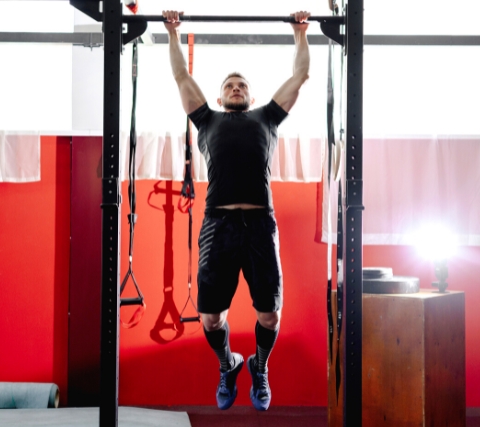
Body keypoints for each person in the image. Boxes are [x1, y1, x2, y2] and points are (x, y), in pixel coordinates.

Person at [162, 9, 311, 411]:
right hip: (219, 224)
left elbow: (299, 77)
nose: (235, 87)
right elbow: (181, 77)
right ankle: (229, 365)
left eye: (241, 85)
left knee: (269, 317)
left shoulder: (268, 118)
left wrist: (300, 34)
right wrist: (173, 34)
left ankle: (259, 367)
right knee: (211, 318)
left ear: (251, 96)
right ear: (220, 95)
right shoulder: (206, 119)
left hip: (261, 223)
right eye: (229, 84)